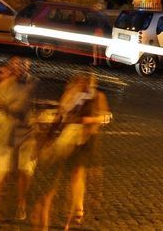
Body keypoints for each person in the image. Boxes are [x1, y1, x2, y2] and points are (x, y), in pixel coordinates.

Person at [36, 71, 111, 229]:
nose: (83, 85)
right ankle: (64, 212)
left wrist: (88, 120)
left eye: (86, 82)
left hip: (86, 142)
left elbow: (106, 118)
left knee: (77, 175)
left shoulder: (98, 97)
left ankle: (77, 211)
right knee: (65, 178)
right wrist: (48, 138)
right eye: (80, 82)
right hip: (68, 139)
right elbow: (60, 117)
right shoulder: (71, 95)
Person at [0, 57, 37, 229]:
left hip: (27, 135)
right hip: (7, 135)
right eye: (13, 66)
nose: (17, 69)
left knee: (25, 172)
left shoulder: (33, 84)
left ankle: (21, 202)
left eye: (21, 66)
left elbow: (31, 104)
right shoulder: (5, 85)